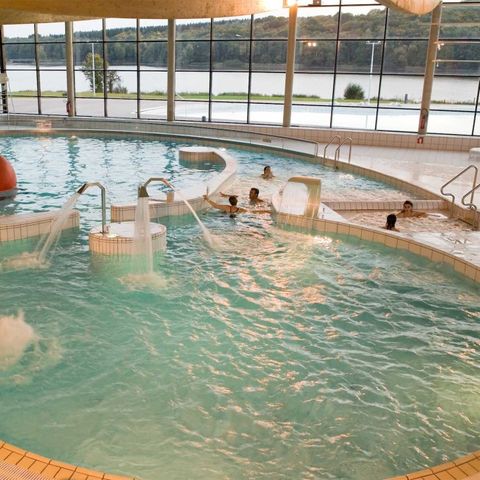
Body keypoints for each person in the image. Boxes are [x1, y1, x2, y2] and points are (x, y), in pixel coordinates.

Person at [203, 194, 270, 217]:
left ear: (229, 202)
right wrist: (267, 211)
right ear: (237, 201)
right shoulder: (240, 209)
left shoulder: (226, 207)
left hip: (225, 216)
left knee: (222, 213)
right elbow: (253, 212)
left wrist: (207, 199)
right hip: (236, 215)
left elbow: (215, 206)